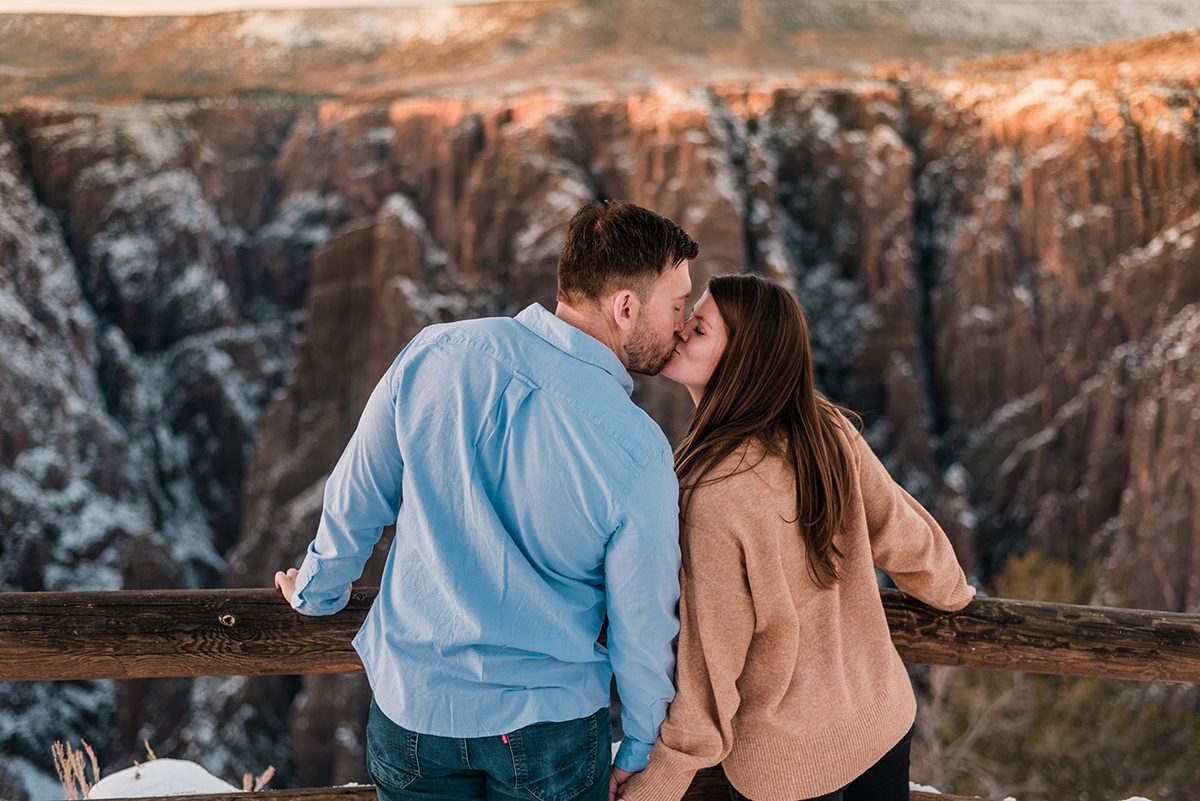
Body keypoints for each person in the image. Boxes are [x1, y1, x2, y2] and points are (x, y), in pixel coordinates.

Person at [273, 200, 699, 801]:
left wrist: (317, 590)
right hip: (548, 731)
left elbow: (357, 494)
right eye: (678, 305)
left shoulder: (431, 354)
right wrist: (640, 745)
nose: (684, 323)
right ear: (625, 307)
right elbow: (643, 622)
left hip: (414, 713)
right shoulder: (639, 450)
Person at [618, 274, 976, 801]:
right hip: (882, 725)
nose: (680, 330)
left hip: (792, 770)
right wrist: (951, 591)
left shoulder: (713, 494)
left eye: (700, 327)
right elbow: (902, 532)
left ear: (742, 359)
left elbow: (709, 662)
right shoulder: (824, 427)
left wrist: (661, 780)